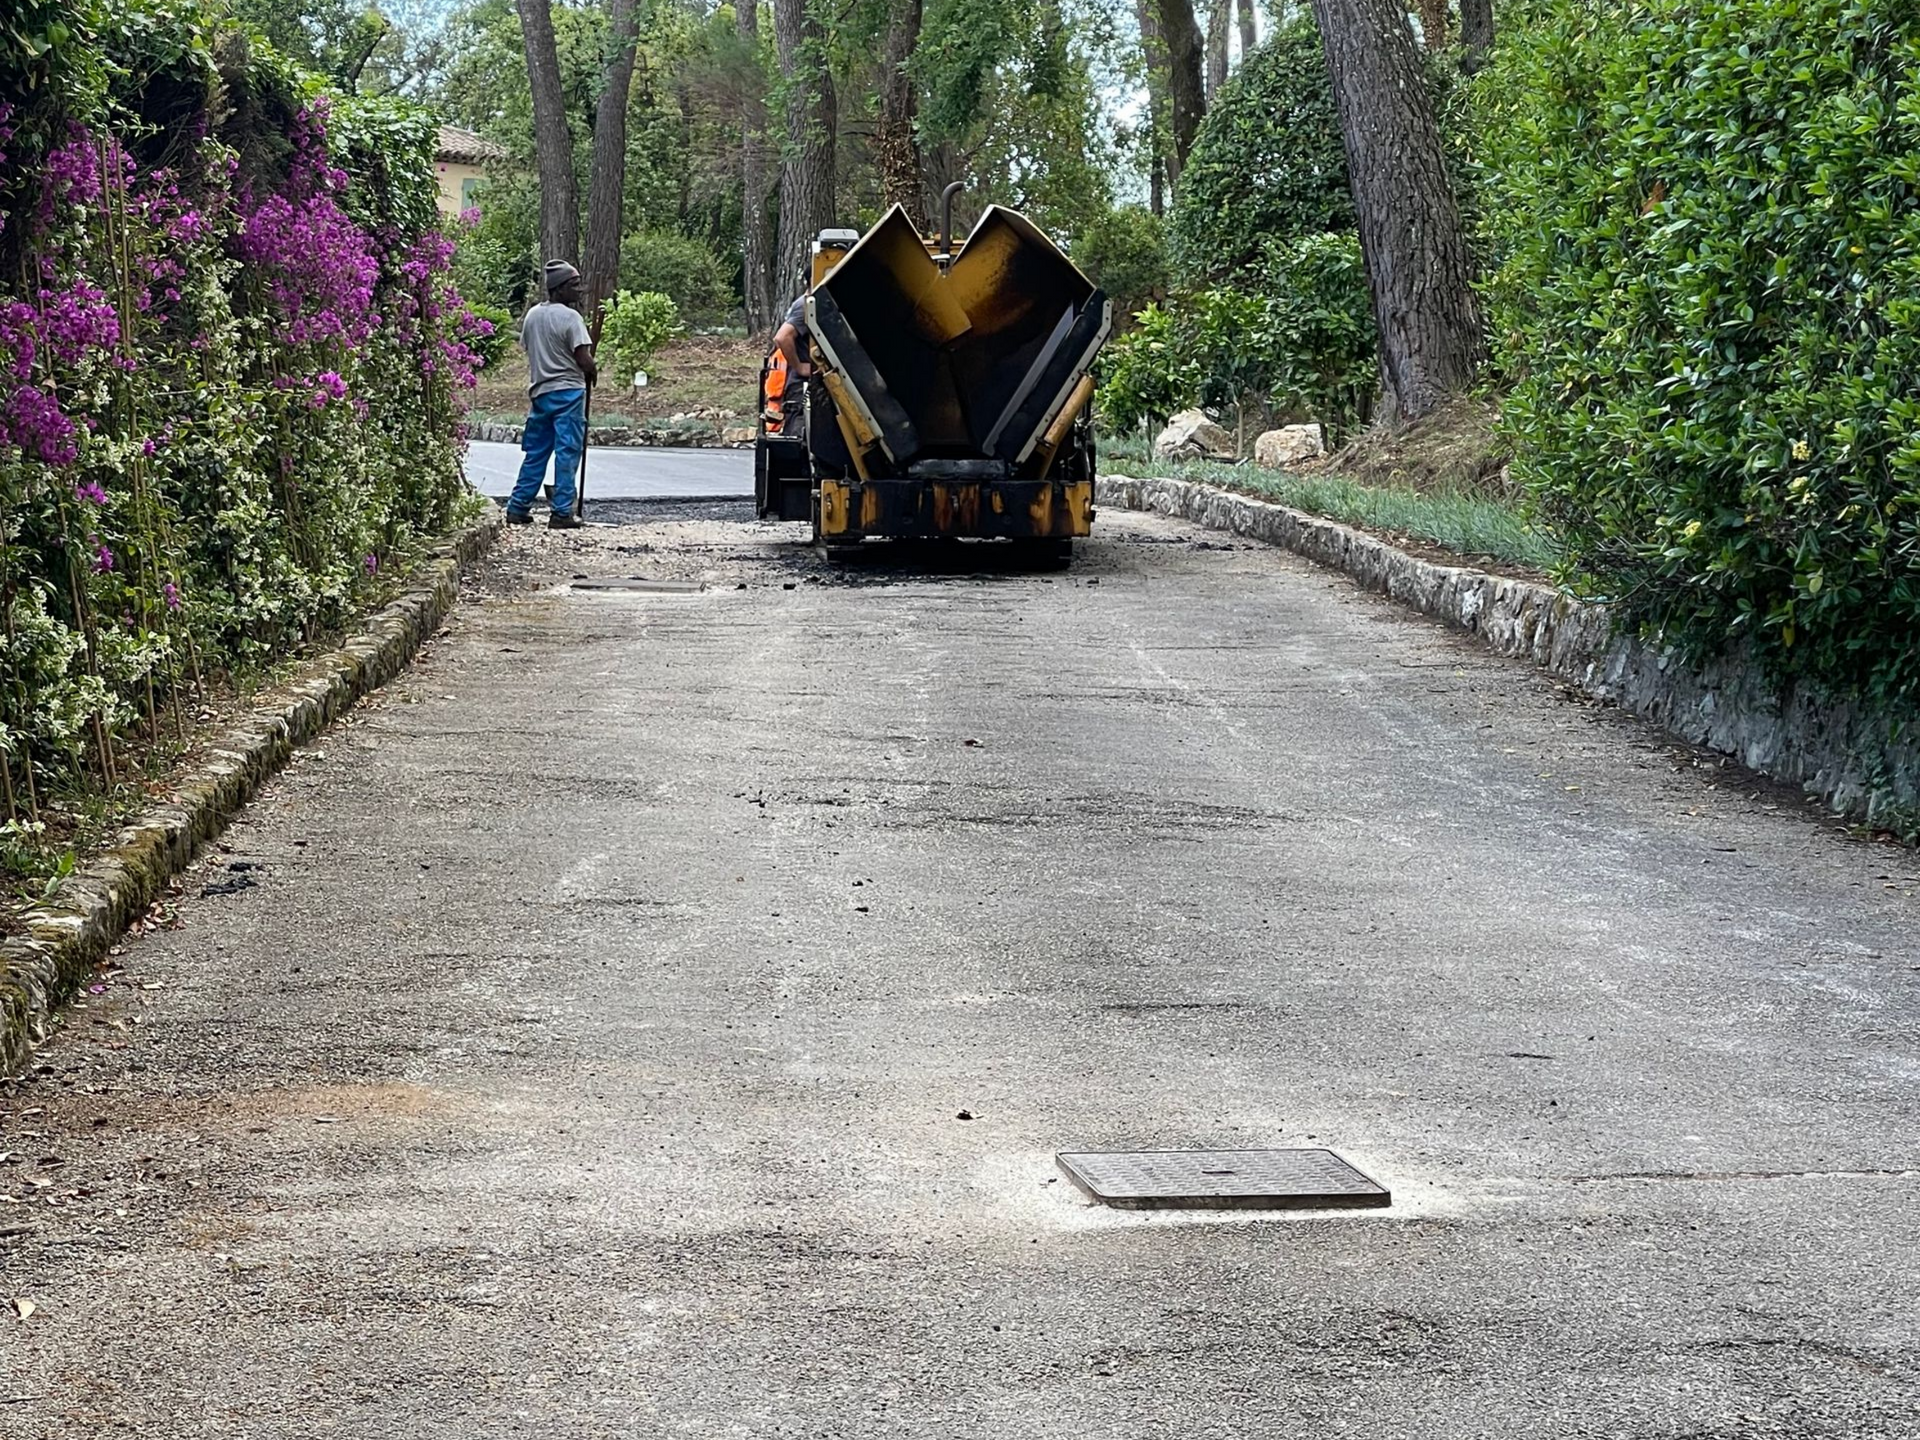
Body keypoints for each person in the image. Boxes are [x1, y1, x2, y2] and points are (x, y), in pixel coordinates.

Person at [508, 260, 598, 530]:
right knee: (567, 451)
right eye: (574, 285)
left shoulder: (533, 315)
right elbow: (582, 356)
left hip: (540, 391)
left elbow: (529, 347)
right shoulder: (571, 318)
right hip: (569, 392)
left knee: (536, 452)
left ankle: (517, 507)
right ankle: (561, 512)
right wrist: (592, 370)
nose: (579, 290)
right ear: (558, 289)